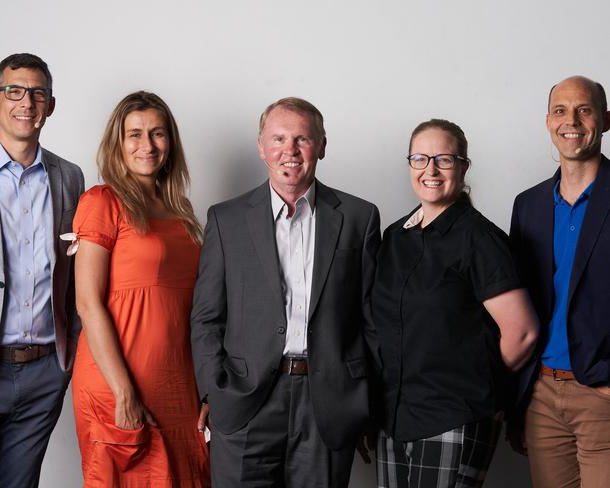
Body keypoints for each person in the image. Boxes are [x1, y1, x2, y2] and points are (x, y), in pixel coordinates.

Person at [190, 97, 381, 487]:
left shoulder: (359, 218)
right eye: (278, 139)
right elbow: (206, 317)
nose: (289, 151)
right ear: (261, 147)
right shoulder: (225, 220)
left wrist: (364, 402)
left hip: (327, 402)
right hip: (246, 401)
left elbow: (372, 319)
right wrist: (216, 391)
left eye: (302, 139)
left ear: (322, 146)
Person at [372, 119, 538, 488]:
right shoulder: (395, 237)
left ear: (463, 167)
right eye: (420, 158)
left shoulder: (480, 239)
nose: (430, 169)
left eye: (444, 159)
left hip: (453, 416)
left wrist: (479, 388)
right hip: (394, 418)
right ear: (410, 165)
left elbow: (523, 332)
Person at [71, 91, 210, 487]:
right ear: (118, 142)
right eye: (134, 134)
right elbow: (87, 302)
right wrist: (123, 392)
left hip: (178, 382)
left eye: (157, 134)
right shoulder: (103, 201)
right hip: (119, 381)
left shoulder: (180, 209)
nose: (147, 145)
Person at [0, 53, 84, 487]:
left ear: (50, 106)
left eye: (38, 93)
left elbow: (73, 270)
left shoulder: (69, 177)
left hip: (42, 374)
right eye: (14, 91)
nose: (26, 102)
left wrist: (66, 363)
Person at [508, 76, 610, 488]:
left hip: (601, 393)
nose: (572, 121)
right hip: (542, 396)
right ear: (548, 121)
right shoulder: (528, 204)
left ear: (605, 120)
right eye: (560, 110)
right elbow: (518, 303)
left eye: (584, 110)